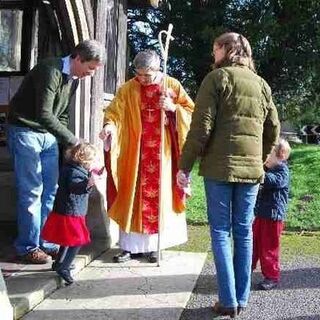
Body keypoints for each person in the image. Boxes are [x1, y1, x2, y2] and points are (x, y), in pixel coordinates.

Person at [177, 32, 280, 318]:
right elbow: (273, 128)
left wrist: (184, 166)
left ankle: (228, 300)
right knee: (243, 232)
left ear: (226, 49)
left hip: (219, 169)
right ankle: (241, 299)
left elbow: (201, 127)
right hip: (250, 172)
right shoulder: (262, 85)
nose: (213, 55)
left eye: (215, 49)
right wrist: (258, 159)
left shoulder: (216, 78)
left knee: (221, 232)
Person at [7, 40, 105, 264]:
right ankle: (27, 246)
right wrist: (74, 140)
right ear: (78, 58)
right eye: (89, 68)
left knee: (51, 189)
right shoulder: (49, 70)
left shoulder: (74, 79)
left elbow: (60, 115)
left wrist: (67, 144)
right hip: (25, 131)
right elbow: (43, 113)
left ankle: (46, 240)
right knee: (32, 192)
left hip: (47, 135)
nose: (90, 74)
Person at [99, 50, 194, 263]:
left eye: (147, 76)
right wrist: (109, 127)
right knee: (130, 195)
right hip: (134, 153)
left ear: (158, 69)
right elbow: (115, 113)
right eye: (139, 74)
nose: (142, 79)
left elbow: (191, 112)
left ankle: (154, 247)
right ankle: (128, 247)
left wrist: (173, 109)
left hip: (163, 153)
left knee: (159, 197)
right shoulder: (128, 88)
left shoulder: (172, 85)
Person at [41, 142, 104, 285]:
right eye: (93, 160)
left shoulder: (72, 168)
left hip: (70, 211)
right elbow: (75, 187)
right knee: (77, 241)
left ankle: (59, 263)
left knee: (66, 241)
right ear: (84, 160)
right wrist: (89, 183)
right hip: (71, 212)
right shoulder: (73, 172)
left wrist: (93, 175)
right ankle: (64, 267)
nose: (94, 163)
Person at [252, 138, 291, 291]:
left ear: (280, 155)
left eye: (269, 153)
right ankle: (246, 268)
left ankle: (272, 276)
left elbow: (275, 182)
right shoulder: (270, 169)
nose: (265, 156)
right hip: (261, 214)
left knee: (269, 247)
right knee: (254, 242)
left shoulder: (282, 170)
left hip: (273, 217)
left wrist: (260, 172)